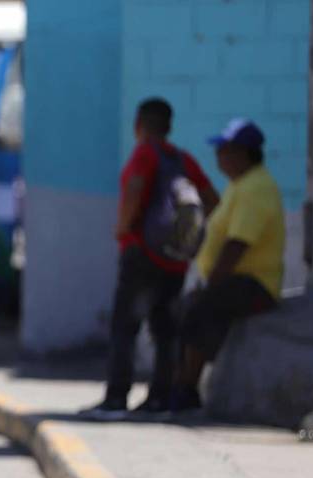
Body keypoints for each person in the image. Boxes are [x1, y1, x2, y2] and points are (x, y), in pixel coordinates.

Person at [80, 98, 218, 420]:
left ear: (138, 124)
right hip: (174, 259)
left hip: (141, 254)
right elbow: (212, 200)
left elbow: (135, 187)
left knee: (125, 327)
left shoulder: (144, 153)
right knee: (165, 331)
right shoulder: (183, 159)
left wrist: (123, 226)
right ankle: (160, 399)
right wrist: (187, 236)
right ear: (169, 126)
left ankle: (116, 399)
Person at [172, 119, 284, 411]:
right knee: (185, 308)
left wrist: (214, 280)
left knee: (202, 308)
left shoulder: (256, 188)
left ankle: (187, 388)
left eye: (225, 150)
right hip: (236, 279)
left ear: (243, 153)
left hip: (255, 283)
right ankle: (177, 385)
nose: (219, 156)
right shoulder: (241, 185)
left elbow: (237, 242)